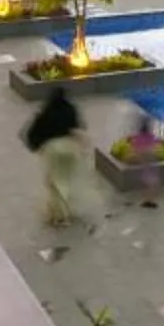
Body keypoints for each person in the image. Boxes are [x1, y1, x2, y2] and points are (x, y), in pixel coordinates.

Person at [23, 82, 101, 226]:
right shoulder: (70, 109)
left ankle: (60, 216)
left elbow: (32, 133)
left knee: (55, 183)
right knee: (66, 180)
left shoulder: (45, 112)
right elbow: (79, 126)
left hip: (53, 149)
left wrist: (37, 147)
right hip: (70, 148)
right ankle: (66, 210)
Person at [125, 100, 164, 209]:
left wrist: (132, 155)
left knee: (148, 178)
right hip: (151, 155)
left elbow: (133, 146)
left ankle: (149, 199)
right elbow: (158, 143)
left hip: (143, 156)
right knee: (153, 178)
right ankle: (151, 199)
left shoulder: (138, 138)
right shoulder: (151, 136)